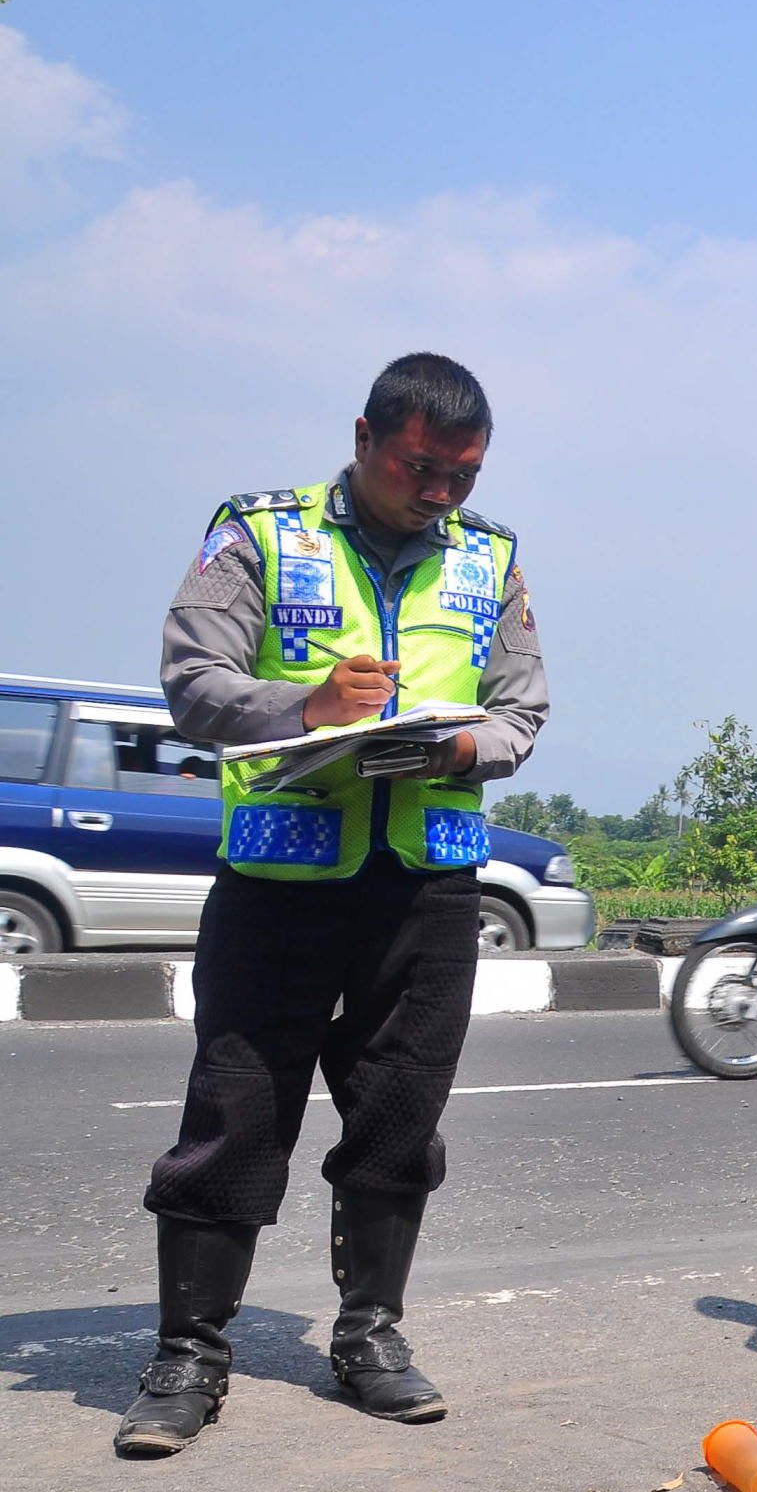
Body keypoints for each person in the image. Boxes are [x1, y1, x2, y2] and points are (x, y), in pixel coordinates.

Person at [119, 353, 548, 1456]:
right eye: (420, 466)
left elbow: (521, 709)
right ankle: (189, 1352)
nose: (441, 492)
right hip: (280, 884)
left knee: (401, 1114)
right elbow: (193, 678)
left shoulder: (488, 556)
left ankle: (371, 1335)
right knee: (237, 1114)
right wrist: (304, 703)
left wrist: (464, 742)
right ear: (364, 437)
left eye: (462, 472)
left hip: (427, 884)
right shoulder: (261, 535)